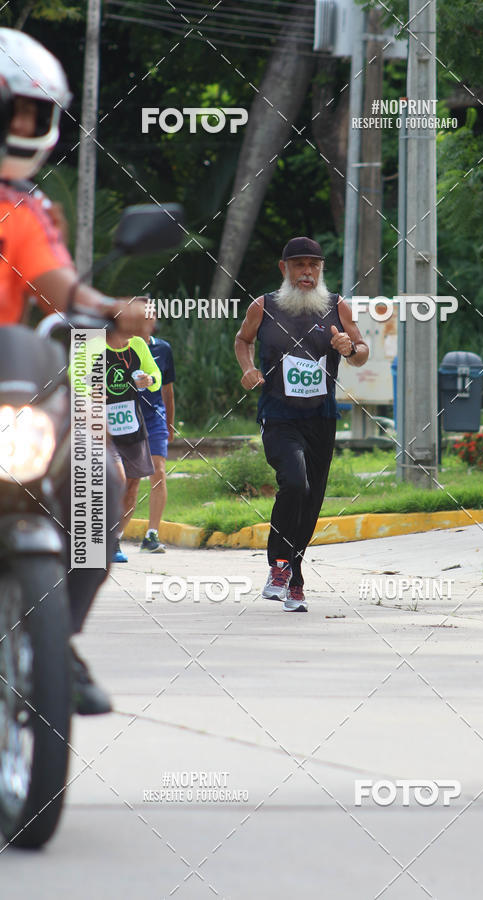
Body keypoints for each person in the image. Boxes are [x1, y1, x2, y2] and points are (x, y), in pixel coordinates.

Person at [0, 28, 155, 714]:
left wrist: (108, 308)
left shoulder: (20, 207)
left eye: (39, 114)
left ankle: (55, 641)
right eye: (18, 111)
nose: (29, 127)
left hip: (6, 381)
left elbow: (58, 284)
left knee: (97, 476)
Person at [235, 237, 369, 612]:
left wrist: (349, 349)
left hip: (321, 418)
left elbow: (361, 351)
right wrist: (248, 369)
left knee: (311, 501)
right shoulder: (263, 306)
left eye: (314, 265)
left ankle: (294, 574)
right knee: (294, 482)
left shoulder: (336, 306)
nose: (307, 272)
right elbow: (242, 340)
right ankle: (278, 565)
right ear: (284, 269)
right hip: (278, 415)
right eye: (299, 265)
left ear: (321, 270)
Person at [71, 325, 163, 563]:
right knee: (118, 480)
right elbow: (74, 376)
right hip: (101, 428)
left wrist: (148, 379)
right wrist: (89, 393)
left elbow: (156, 377)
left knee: (132, 485)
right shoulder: (93, 345)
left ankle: (113, 540)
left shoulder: (139, 345)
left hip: (131, 425)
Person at [133, 333, 176, 553]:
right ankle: (112, 534)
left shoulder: (163, 348)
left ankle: (152, 534)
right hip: (127, 417)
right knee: (128, 479)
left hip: (154, 419)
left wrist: (169, 423)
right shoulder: (119, 345)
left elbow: (167, 390)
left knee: (158, 472)